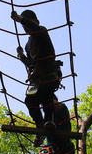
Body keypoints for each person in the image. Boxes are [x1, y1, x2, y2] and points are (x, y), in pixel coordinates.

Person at [11, 9, 62, 146]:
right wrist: (21, 56)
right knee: (30, 100)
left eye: (28, 24)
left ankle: (49, 121)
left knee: (46, 94)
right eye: (24, 27)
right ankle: (40, 126)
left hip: (49, 73)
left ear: (36, 21)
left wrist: (20, 19)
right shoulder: (28, 45)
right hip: (37, 78)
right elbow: (31, 64)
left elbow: (35, 28)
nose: (26, 28)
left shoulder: (41, 31)